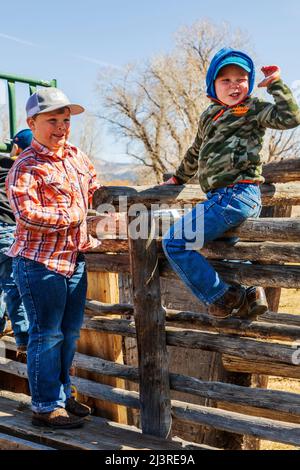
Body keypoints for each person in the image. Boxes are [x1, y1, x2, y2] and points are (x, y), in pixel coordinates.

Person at [162, 47, 300, 320]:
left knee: (175, 242)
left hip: (237, 194)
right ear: (212, 85)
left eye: (241, 78)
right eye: (226, 80)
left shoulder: (252, 109)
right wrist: (178, 178)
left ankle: (222, 297)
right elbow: (195, 151)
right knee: (228, 253)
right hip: (223, 198)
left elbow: (291, 118)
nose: (235, 85)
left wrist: (275, 85)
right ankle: (251, 292)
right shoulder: (208, 116)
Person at [6, 87, 101, 429]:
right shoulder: (25, 167)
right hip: (39, 263)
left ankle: (62, 395)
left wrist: (110, 206)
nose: (62, 127)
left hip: (74, 259)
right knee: (47, 334)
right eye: (53, 120)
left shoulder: (76, 156)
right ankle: (45, 405)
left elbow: (95, 188)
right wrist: (75, 216)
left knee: (70, 332)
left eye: (65, 120)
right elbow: (28, 214)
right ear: (32, 123)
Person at [0, 129, 32, 353]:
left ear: (16, 146)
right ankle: (22, 337)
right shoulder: (27, 168)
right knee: (12, 284)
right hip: (12, 229)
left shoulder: (6, 164)